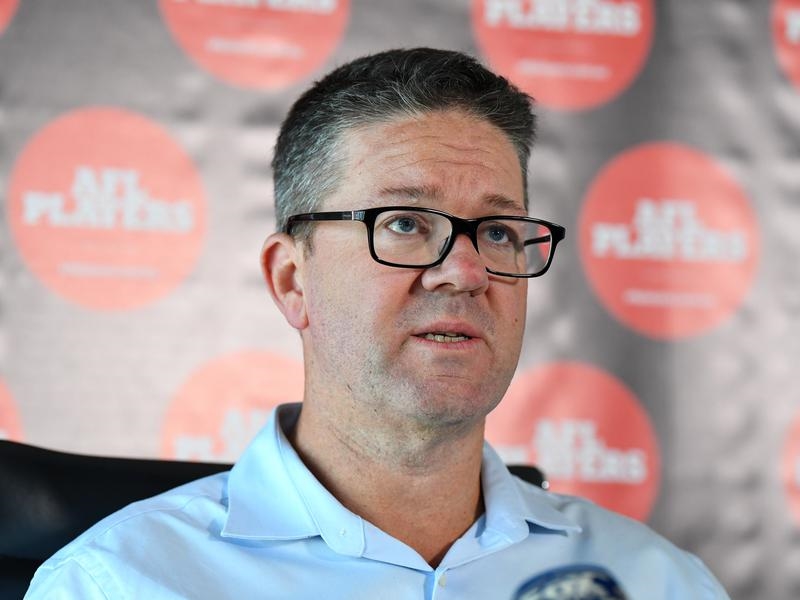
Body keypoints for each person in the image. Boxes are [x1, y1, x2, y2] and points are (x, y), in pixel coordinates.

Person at [25, 48, 730, 599]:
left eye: (497, 232)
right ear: (291, 279)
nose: (466, 272)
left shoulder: (656, 581)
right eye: (404, 224)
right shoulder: (117, 583)